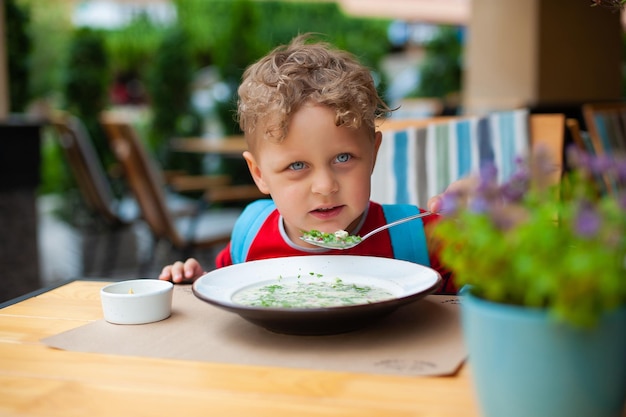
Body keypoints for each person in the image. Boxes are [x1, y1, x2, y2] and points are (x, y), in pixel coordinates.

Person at [159, 34, 457, 293]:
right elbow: (228, 286)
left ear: (373, 154)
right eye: (297, 166)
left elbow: (493, 288)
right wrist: (197, 282)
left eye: (343, 158)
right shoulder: (251, 234)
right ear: (259, 174)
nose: (325, 186)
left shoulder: (419, 236)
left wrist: (487, 227)